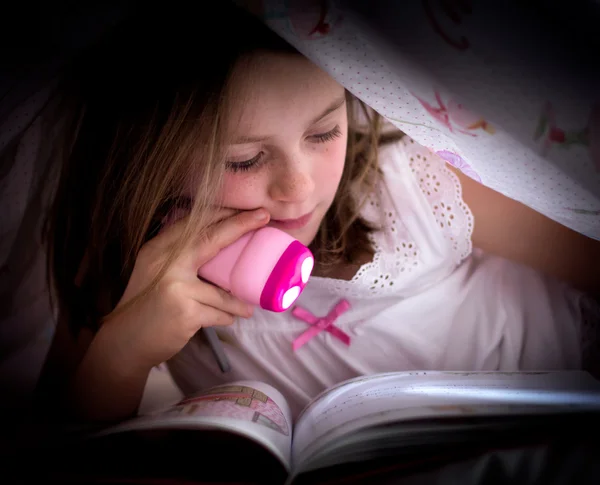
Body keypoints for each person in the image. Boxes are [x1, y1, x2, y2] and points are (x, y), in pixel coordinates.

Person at [35, 2, 600, 423]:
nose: (299, 186)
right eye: (246, 159)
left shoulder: (415, 181)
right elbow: (61, 447)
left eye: (325, 130)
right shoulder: (134, 259)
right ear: (149, 160)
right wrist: (120, 358)